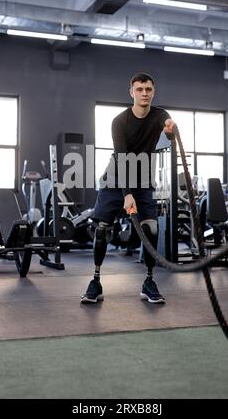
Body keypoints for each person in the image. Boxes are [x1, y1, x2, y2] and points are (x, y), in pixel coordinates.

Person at [81, 72, 176, 304]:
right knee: (102, 229)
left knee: (152, 229)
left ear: (153, 92)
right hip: (115, 179)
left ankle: (149, 281)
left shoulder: (161, 115)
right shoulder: (120, 121)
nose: (145, 93)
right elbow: (122, 159)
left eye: (149, 90)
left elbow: (169, 136)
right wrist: (127, 195)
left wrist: (171, 132)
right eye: (140, 89)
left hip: (143, 181)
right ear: (131, 92)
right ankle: (95, 281)